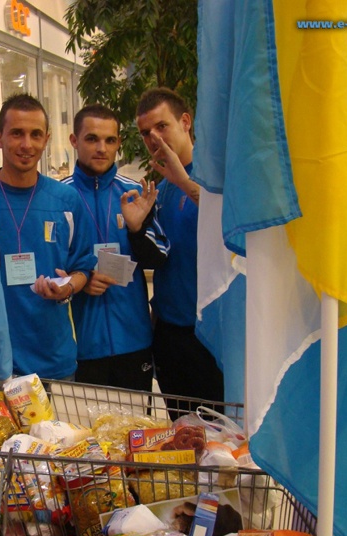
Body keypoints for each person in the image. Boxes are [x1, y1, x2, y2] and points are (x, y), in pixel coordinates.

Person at [130, 87, 224, 415]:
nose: (153, 137)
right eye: (145, 132)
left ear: (186, 122)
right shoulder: (161, 191)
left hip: (213, 335)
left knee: (221, 442)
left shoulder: (218, 177)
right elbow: (160, 257)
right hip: (171, 334)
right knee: (182, 436)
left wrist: (186, 182)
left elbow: (230, 226)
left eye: (161, 126)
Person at [0, 94, 94, 380]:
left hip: (52, 360)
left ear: (46, 139)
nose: (27, 144)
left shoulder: (66, 200)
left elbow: (84, 266)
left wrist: (69, 286)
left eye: (36, 135)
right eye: (16, 134)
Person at [61, 104, 165, 390]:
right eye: (92, 139)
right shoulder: (58, 197)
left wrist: (136, 230)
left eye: (110, 140)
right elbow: (50, 267)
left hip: (133, 339)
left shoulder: (135, 194)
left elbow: (157, 260)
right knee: (89, 433)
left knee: (136, 432)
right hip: (83, 344)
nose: (101, 148)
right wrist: (81, 280)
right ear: (74, 141)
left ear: (119, 143)